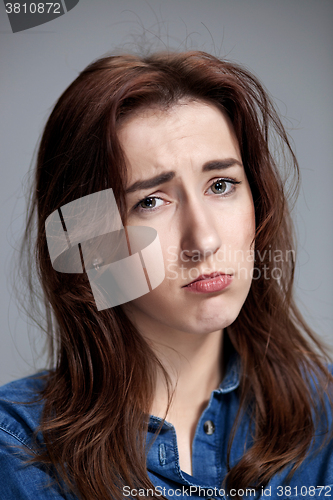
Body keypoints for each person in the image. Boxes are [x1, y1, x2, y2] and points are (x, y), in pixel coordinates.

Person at [0, 50, 332, 500]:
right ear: (88, 244)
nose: (205, 240)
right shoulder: (19, 448)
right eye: (150, 201)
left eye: (221, 185)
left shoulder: (325, 416)